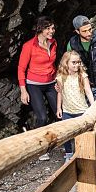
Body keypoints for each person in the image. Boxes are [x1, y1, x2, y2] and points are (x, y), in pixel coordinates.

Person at [17, 16, 58, 160]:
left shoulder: (53, 43)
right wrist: (23, 90)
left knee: (60, 112)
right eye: (48, 28)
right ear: (40, 28)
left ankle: (68, 143)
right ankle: (39, 147)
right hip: (34, 85)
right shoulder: (29, 46)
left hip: (51, 83)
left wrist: (57, 79)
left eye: (53, 28)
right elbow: (21, 69)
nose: (52, 31)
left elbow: (53, 64)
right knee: (42, 117)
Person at [56, 51, 94, 162]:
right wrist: (59, 108)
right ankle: (68, 153)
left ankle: (84, 153)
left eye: (78, 62)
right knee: (65, 133)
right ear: (66, 63)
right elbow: (60, 93)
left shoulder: (82, 75)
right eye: (73, 62)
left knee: (84, 133)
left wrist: (93, 105)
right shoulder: (60, 77)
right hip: (67, 111)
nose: (77, 65)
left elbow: (88, 90)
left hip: (82, 111)